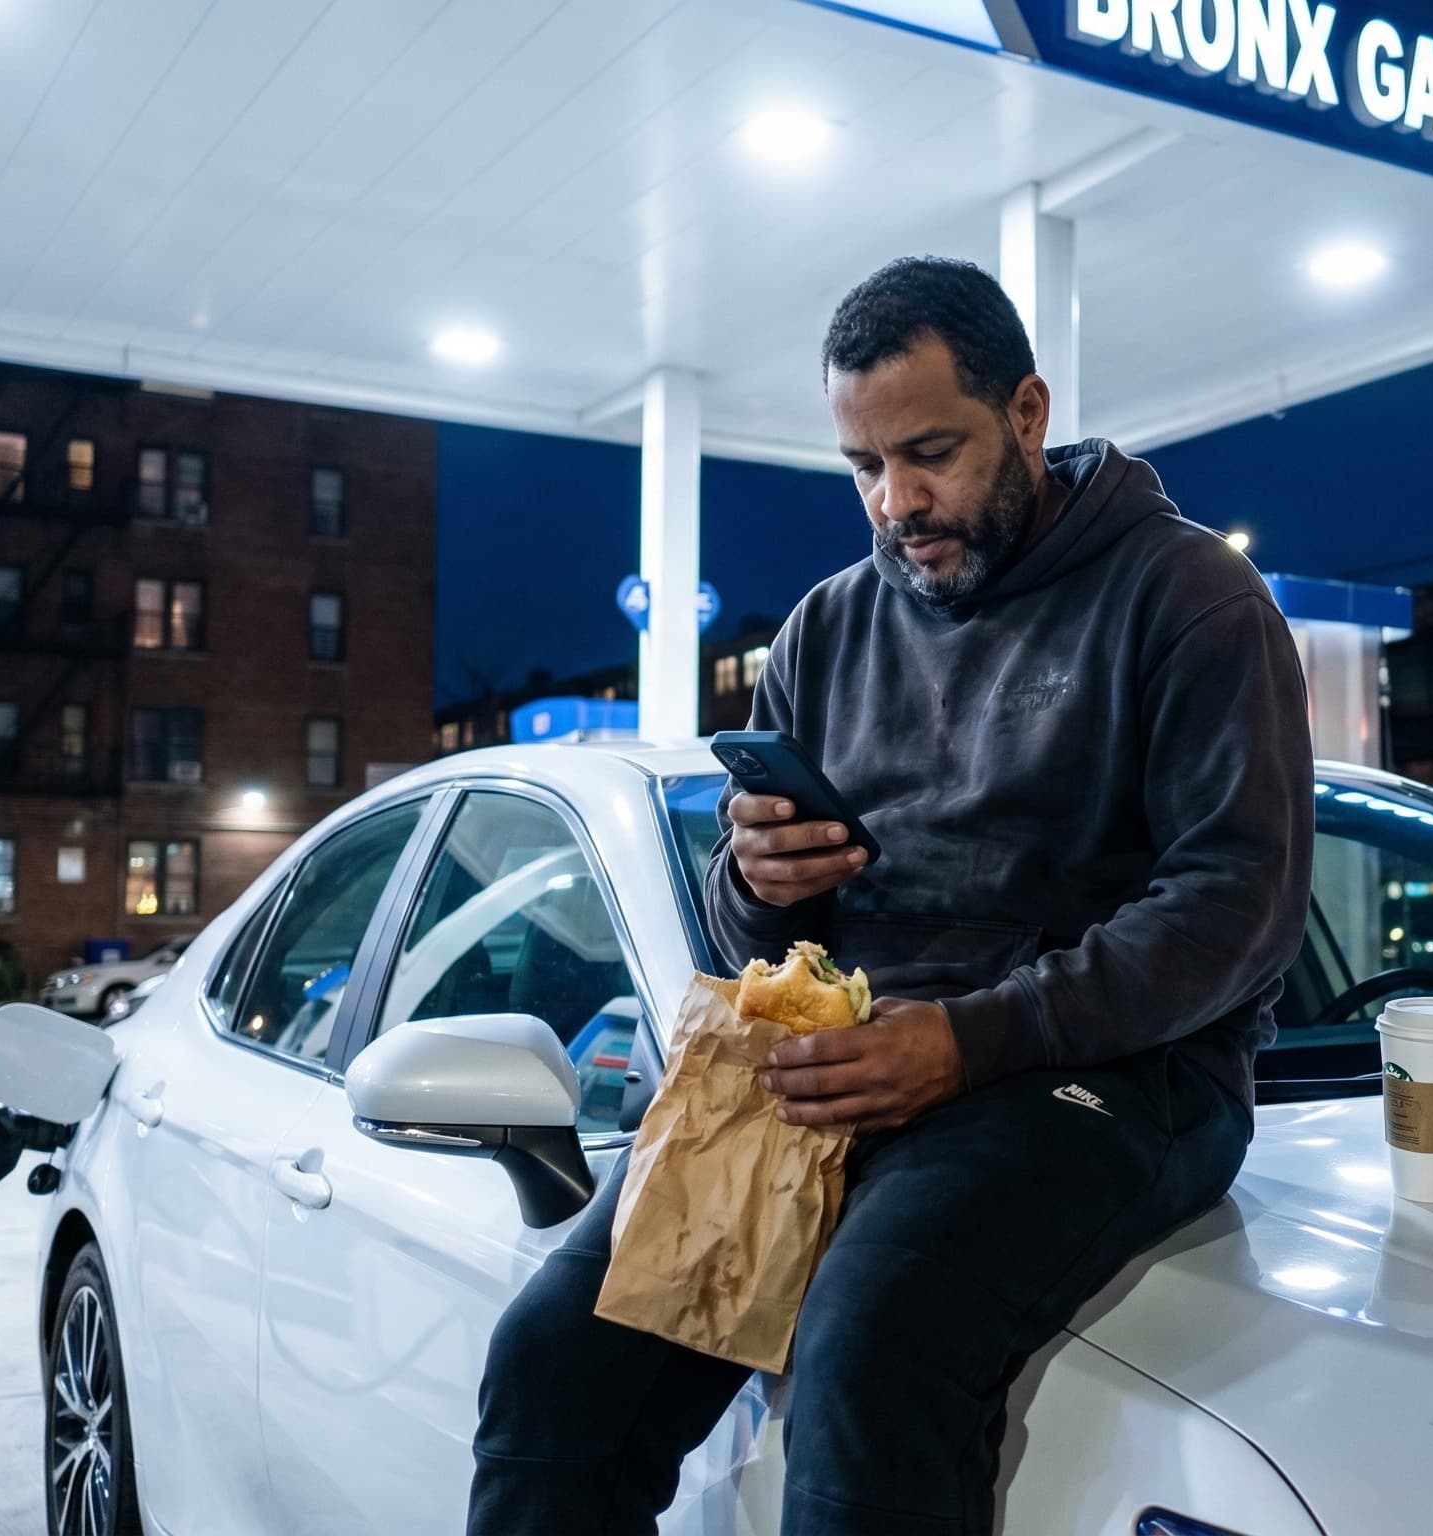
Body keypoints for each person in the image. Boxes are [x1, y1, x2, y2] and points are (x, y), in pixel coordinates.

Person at [468, 256, 1314, 1535]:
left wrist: (969, 1040)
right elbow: (753, 928)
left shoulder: (1188, 597)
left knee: (866, 1346)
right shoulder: (824, 628)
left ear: (1025, 414)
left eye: (930, 453)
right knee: (552, 1357)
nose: (896, 503)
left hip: (1115, 1079)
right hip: (849, 1058)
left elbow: (1236, 908)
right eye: (863, 467)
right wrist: (757, 883)